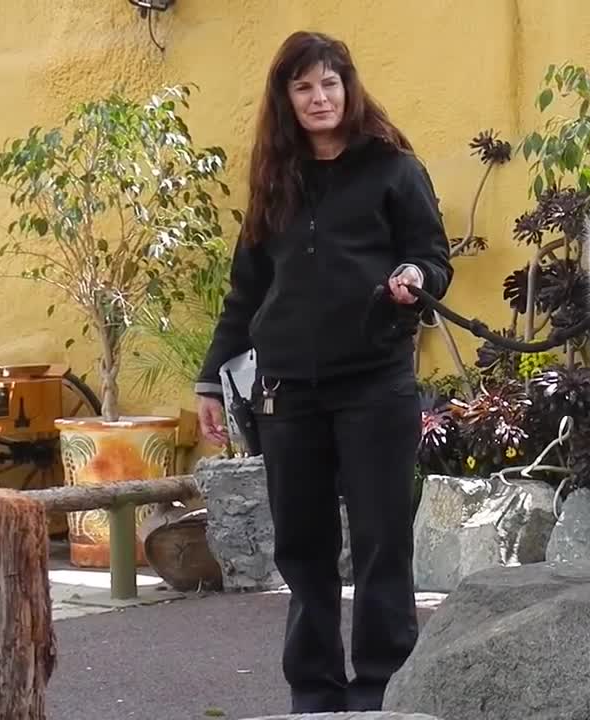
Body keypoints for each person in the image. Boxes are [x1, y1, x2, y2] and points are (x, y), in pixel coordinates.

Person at [193, 30, 453, 713]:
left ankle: (381, 688)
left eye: (329, 83)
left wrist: (414, 274)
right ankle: (314, 691)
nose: (319, 97)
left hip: (375, 382)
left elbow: (433, 254)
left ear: (348, 87)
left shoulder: (393, 167)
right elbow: (246, 290)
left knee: (380, 542)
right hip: (287, 392)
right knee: (303, 551)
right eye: (303, 86)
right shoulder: (276, 178)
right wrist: (209, 378)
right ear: (287, 98)